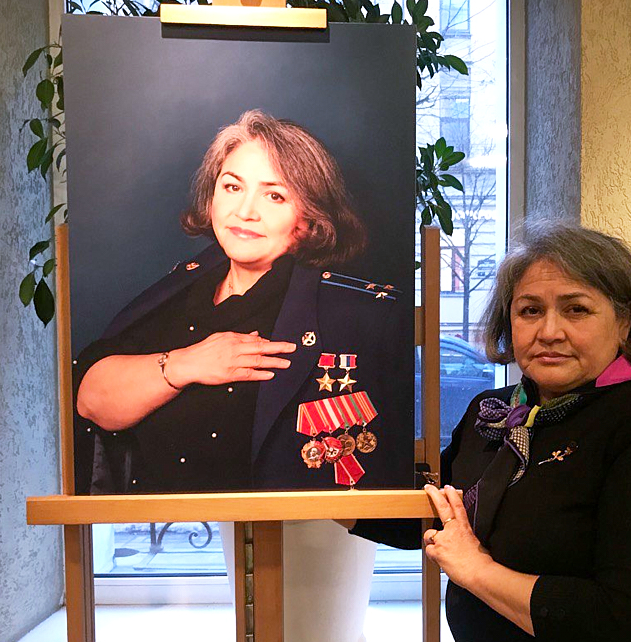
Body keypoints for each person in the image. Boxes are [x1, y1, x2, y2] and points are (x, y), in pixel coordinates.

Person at [350, 223, 631, 642]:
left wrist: (477, 572)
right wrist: (309, 486)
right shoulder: (494, 412)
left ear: (624, 322)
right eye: (530, 310)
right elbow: (437, 518)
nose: (549, 331)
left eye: (576, 309)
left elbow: (628, 620)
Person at [73, 109, 412, 495]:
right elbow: (91, 401)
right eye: (232, 187)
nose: (245, 212)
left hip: (294, 528)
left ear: (309, 220)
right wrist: (186, 363)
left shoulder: (359, 317)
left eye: (274, 195)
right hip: (169, 528)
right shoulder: (178, 290)